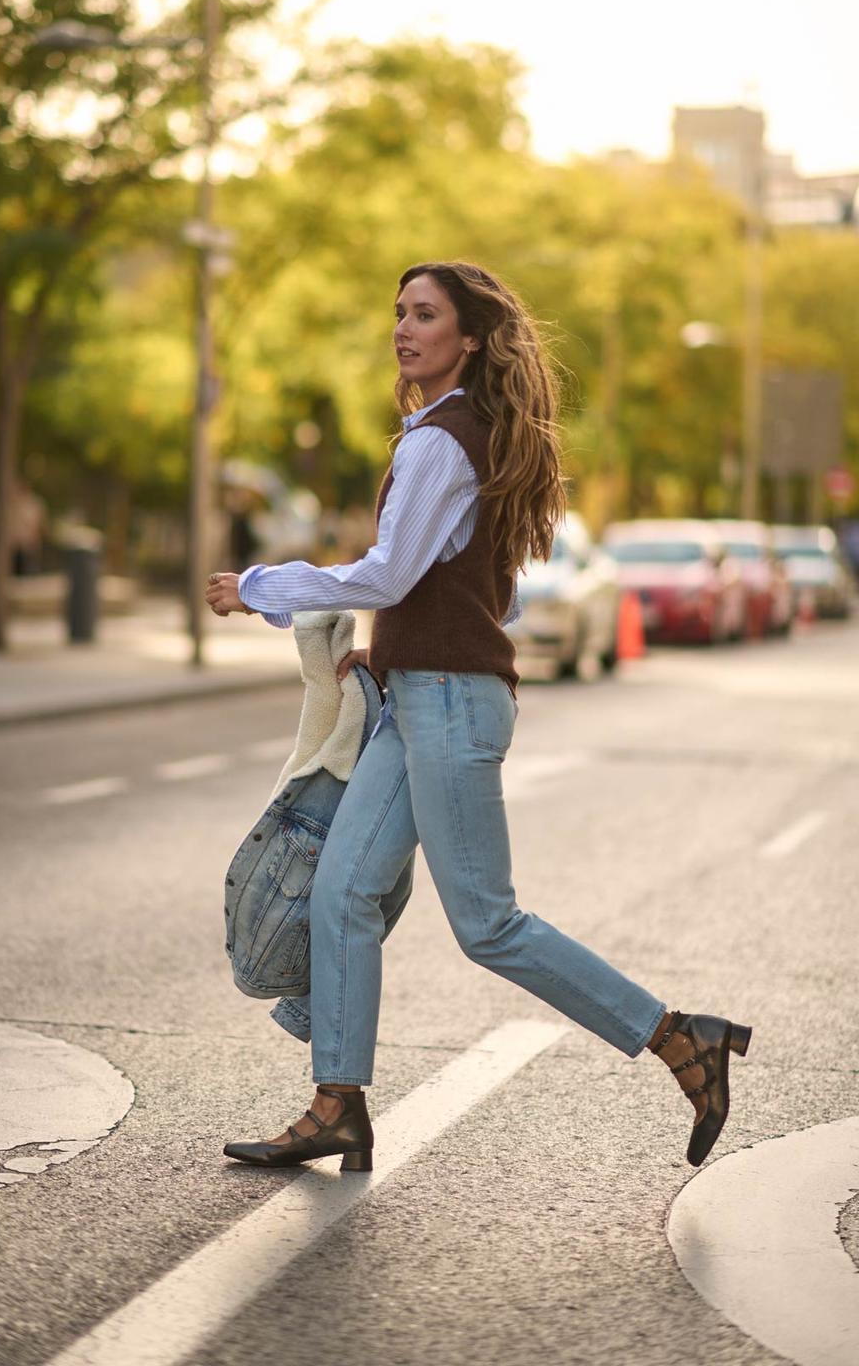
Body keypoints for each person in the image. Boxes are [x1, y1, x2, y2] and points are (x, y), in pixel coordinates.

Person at [206, 260, 751, 1174]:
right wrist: (388, 654)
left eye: (426, 315)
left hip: (451, 709)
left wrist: (262, 587)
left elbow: (386, 575)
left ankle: (679, 1040)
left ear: (467, 338)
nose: (404, 329)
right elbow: (477, 597)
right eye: (399, 313)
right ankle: (338, 1102)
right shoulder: (459, 433)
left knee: (488, 924)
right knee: (342, 893)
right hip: (425, 699)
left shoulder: (443, 442)